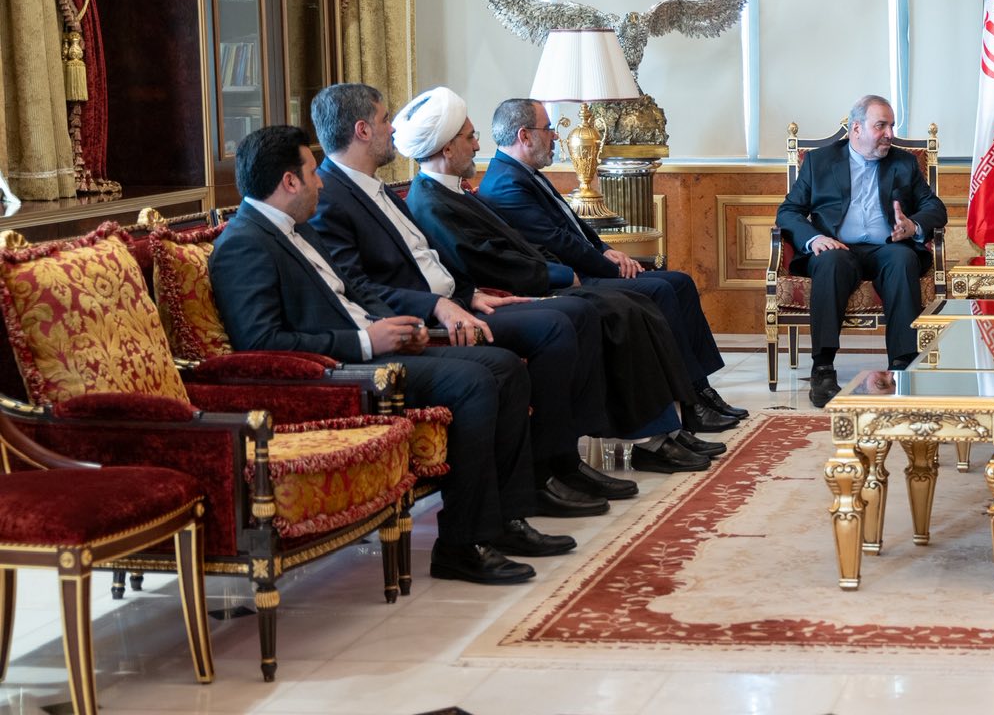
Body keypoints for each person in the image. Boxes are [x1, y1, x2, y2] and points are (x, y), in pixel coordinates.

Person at [208, 125, 569, 586]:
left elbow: (355, 292)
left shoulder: (299, 229)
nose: (321, 183)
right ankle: (461, 545)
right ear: (289, 182)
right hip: (339, 374)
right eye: (313, 173)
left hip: (376, 352)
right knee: (476, 382)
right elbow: (262, 344)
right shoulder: (243, 243)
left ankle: (506, 521)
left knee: (503, 365)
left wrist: (405, 329)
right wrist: (368, 342)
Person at [306, 83, 630, 510]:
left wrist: (469, 294)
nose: (393, 129)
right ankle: (546, 471)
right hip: (425, 321)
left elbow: (428, 261)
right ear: (363, 130)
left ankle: (563, 460)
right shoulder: (331, 197)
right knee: (557, 323)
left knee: (576, 312)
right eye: (385, 120)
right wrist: (438, 306)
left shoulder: (374, 188)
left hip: (458, 304)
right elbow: (357, 286)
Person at [394, 88, 731, 473]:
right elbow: (487, 261)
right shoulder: (431, 200)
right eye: (470, 137)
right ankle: (648, 439)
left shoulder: (454, 191)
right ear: (447, 148)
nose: (477, 145)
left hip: (535, 278)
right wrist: (557, 274)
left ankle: (665, 429)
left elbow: (517, 245)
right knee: (625, 308)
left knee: (635, 304)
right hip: (516, 291)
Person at [477, 98, 747, 427]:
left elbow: (574, 227)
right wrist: (611, 266)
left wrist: (606, 249)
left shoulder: (523, 173)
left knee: (680, 282)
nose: (555, 136)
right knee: (661, 290)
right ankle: (690, 403)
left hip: (584, 267)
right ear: (524, 135)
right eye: (548, 129)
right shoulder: (505, 183)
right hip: (570, 279)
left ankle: (700, 390)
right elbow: (558, 242)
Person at [774, 94, 948, 408]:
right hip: (838, 248)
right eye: (881, 125)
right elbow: (788, 211)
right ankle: (823, 368)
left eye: (892, 126)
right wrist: (814, 239)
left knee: (903, 259)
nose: (890, 134)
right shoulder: (819, 161)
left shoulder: (903, 162)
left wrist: (913, 226)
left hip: (887, 247)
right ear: (857, 128)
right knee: (830, 261)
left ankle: (902, 366)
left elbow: (935, 208)